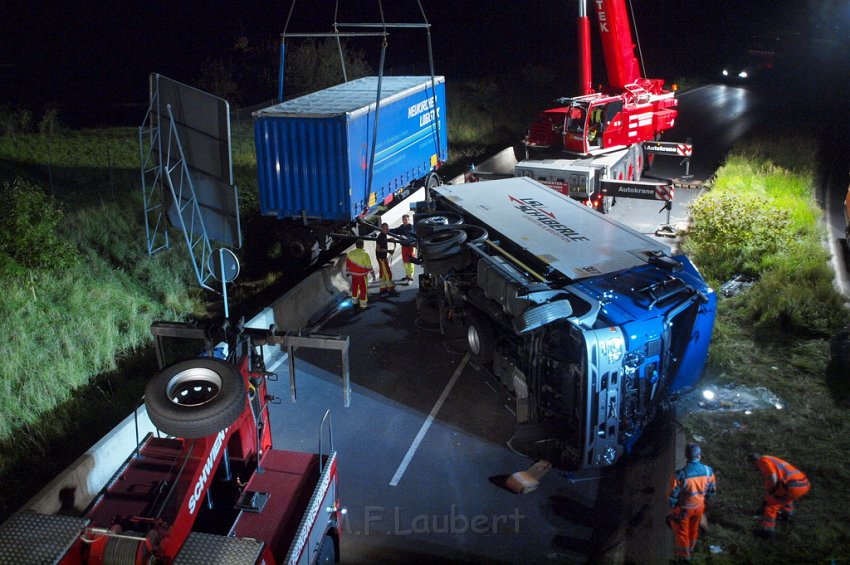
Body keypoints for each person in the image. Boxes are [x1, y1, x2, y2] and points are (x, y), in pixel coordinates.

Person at [667, 443, 716, 562]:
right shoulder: (708, 471)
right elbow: (712, 490)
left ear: (686, 456)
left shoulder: (680, 475)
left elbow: (672, 494)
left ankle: (684, 558)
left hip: (684, 509)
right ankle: (691, 548)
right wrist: (704, 500)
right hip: (699, 507)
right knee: (694, 529)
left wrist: (673, 507)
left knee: (682, 532)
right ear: (699, 456)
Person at [747, 452, 810, 538]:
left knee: (771, 504)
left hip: (792, 486)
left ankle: (768, 531)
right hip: (803, 484)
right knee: (784, 497)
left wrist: (770, 492)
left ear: (753, 462)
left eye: (751, 466)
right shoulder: (772, 459)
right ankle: (788, 514)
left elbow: (772, 477)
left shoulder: (762, 460)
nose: (752, 468)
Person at [344, 239, 375, 309]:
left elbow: (348, 265)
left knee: (355, 288)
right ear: (362, 245)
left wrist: (348, 273)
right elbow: (369, 266)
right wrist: (373, 274)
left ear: (356, 245)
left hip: (354, 275)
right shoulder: (365, 255)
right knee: (363, 289)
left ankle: (354, 301)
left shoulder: (350, 253)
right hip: (362, 276)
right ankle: (363, 304)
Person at [390, 214, 416, 281]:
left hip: (410, 247)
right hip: (404, 246)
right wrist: (387, 230)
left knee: (410, 261)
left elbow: (413, 236)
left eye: (405, 220)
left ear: (408, 220)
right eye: (403, 220)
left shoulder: (411, 227)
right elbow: (395, 231)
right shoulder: (401, 227)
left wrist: (406, 238)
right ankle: (407, 275)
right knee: (405, 261)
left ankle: (411, 275)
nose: (404, 221)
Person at [375, 223, 399, 297]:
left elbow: (384, 241)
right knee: (387, 273)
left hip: (381, 257)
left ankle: (382, 288)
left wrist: (389, 239)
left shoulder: (384, 235)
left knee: (382, 273)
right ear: (382, 229)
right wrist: (388, 251)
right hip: (381, 258)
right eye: (385, 228)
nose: (387, 230)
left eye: (387, 228)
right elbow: (378, 249)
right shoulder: (379, 237)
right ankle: (390, 288)